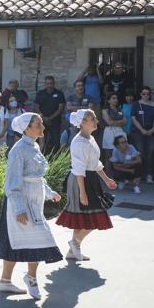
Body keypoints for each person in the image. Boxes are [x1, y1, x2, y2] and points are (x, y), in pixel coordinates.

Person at [0, 113, 63, 299]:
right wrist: (19, 208)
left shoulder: (34, 146)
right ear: (27, 128)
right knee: (34, 238)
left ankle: (6, 281)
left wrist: (50, 192)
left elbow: (37, 176)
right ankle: (31, 278)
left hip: (34, 200)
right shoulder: (18, 150)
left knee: (25, 240)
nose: (42, 127)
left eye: (42, 123)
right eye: (38, 124)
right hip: (20, 202)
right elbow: (13, 182)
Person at [56, 109, 116, 261]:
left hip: (90, 179)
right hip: (80, 181)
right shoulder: (78, 142)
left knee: (83, 218)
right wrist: (82, 193)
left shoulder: (90, 138)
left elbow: (96, 164)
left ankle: (72, 250)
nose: (96, 121)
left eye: (95, 118)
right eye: (92, 119)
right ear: (82, 123)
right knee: (94, 217)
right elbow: (79, 170)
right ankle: (75, 243)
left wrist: (107, 179)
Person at [130, 86, 154, 184]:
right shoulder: (136, 104)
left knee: (150, 154)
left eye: (148, 94)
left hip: (152, 132)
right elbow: (133, 118)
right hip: (138, 132)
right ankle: (139, 175)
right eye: (144, 93)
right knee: (140, 153)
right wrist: (141, 129)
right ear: (140, 94)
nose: (146, 95)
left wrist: (152, 130)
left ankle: (149, 175)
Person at [34, 76, 65, 153]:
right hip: (42, 122)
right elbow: (36, 107)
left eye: (51, 83)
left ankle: (54, 159)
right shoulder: (40, 93)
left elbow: (61, 108)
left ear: (54, 84)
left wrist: (50, 118)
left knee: (56, 142)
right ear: (45, 84)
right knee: (41, 141)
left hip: (55, 121)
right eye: (47, 83)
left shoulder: (59, 93)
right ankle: (41, 157)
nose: (49, 85)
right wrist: (43, 118)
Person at [101, 93, 127, 173]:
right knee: (109, 156)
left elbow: (125, 122)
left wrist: (115, 122)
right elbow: (109, 122)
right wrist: (119, 122)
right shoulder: (105, 111)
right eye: (113, 98)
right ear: (109, 100)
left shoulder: (120, 110)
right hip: (109, 133)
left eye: (116, 98)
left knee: (120, 154)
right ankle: (109, 177)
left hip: (120, 132)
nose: (116, 100)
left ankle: (119, 176)